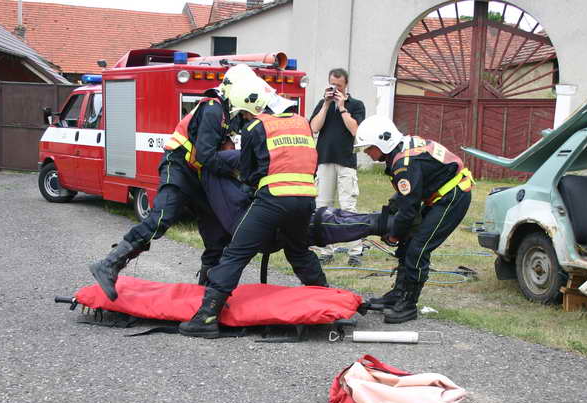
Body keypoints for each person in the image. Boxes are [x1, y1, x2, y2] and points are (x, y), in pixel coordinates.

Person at [179, 77, 327, 338]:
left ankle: (206, 317)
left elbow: (248, 174)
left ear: (252, 107)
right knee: (299, 252)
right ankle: (327, 302)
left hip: (273, 200)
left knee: (235, 253)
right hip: (305, 200)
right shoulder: (301, 122)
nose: (244, 118)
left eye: (244, 113)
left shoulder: (255, 127)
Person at [89, 67, 246, 301]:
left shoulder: (227, 114)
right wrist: (235, 167)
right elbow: (206, 155)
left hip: (197, 175)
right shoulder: (213, 109)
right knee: (161, 218)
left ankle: (209, 292)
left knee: (217, 230)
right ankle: (109, 264)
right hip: (179, 166)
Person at [353, 115, 474, 324]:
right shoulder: (402, 150)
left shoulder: (404, 164)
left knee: (418, 248)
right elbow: (407, 199)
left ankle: (408, 304)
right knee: (408, 242)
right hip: (439, 195)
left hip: (452, 197)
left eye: (369, 147)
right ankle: (398, 295)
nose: (366, 152)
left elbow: (409, 210)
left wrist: (393, 235)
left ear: (383, 142)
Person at [309, 68, 366, 266]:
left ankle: (355, 251)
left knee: (348, 207)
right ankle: (325, 251)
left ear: (346, 85)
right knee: (322, 207)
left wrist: (342, 107)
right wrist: (326, 104)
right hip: (324, 160)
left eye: (339, 86)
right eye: (332, 85)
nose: (335, 89)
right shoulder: (322, 104)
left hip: (346, 161)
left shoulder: (356, 105)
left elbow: (356, 130)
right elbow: (313, 128)